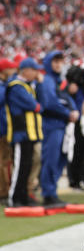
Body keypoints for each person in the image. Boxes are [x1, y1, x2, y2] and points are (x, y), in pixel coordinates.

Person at [38, 51, 79, 208]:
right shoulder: (48, 80)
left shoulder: (57, 81)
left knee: (59, 160)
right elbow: (50, 103)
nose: (58, 64)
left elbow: (66, 99)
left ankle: (52, 192)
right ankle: (48, 194)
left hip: (61, 125)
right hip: (52, 125)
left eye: (60, 61)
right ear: (49, 62)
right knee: (51, 160)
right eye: (54, 61)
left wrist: (73, 111)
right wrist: (69, 113)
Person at [5, 58, 43, 207]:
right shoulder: (16, 86)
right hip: (21, 133)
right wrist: (37, 106)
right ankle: (14, 198)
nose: (36, 73)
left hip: (30, 133)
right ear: (26, 70)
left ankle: (23, 196)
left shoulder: (27, 86)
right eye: (34, 70)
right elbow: (34, 105)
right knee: (20, 167)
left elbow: (39, 105)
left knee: (27, 167)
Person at [0, 58, 18, 200]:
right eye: (10, 68)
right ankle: (3, 191)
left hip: (6, 129)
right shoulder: (3, 86)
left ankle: (5, 190)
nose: (13, 71)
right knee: (3, 162)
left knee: (6, 161)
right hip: (2, 130)